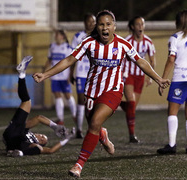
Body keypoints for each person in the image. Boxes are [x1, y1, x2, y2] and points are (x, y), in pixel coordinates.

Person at [33, 10, 170, 178]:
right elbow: (69, 60)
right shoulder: (88, 42)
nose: (105, 28)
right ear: (97, 27)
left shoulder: (122, 44)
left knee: (95, 122)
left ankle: (78, 165)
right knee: (94, 126)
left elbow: (140, 61)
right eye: (101, 24)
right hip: (91, 91)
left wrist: (158, 79)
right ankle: (103, 135)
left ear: (114, 26)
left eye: (108, 24)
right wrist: (45, 74)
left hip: (113, 90)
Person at [3, 56, 74, 157]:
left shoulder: (33, 143)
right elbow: (39, 118)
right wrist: (55, 126)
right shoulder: (26, 130)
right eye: (42, 136)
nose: (40, 138)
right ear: (37, 133)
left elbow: (51, 150)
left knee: (37, 148)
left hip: (15, 143)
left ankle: (20, 153)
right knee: (26, 101)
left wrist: (66, 139)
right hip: (13, 130)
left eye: (42, 140)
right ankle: (22, 73)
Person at [156, 10, 187, 155]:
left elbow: (171, 59)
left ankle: (172, 145)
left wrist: (162, 79)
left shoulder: (175, 38)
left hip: (181, 78)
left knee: (173, 111)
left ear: (176, 22)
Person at [120, 16, 156, 143]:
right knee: (131, 101)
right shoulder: (127, 40)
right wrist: (121, 73)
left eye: (142, 24)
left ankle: (120, 103)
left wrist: (150, 76)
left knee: (132, 107)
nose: (140, 26)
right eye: (138, 24)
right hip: (128, 74)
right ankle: (132, 135)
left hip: (140, 76)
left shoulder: (148, 42)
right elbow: (121, 58)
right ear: (132, 27)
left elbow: (152, 60)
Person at [70, 13, 96, 138]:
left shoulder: (98, 36)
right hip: (81, 73)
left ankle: (93, 129)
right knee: (81, 101)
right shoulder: (78, 36)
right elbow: (72, 57)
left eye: (93, 21)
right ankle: (79, 130)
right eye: (89, 21)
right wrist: (71, 73)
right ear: (84, 22)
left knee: (92, 102)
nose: (91, 23)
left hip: (95, 73)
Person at [45, 30, 77, 125]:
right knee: (57, 96)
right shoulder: (52, 46)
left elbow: (71, 62)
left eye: (57, 35)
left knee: (67, 95)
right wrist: (44, 72)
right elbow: (49, 60)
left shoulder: (67, 47)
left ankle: (75, 115)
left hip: (64, 76)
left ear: (62, 36)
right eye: (55, 35)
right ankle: (60, 119)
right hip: (55, 76)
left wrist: (70, 75)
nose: (56, 36)